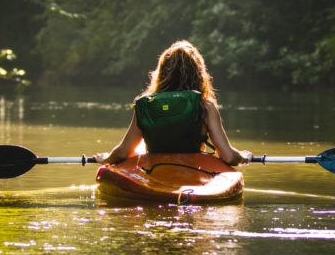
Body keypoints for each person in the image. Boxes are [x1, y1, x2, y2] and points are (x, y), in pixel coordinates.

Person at [93, 40, 252, 166]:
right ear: (198, 73)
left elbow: (123, 152)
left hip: (154, 171)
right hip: (193, 171)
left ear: (162, 72)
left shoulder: (146, 105)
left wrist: (107, 159)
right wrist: (243, 156)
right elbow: (228, 156)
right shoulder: (206, 106)